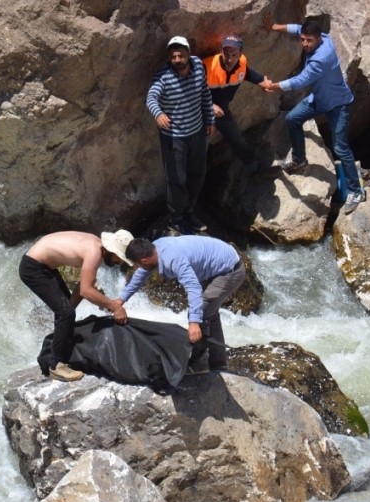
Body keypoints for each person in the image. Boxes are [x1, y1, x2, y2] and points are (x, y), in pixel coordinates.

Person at [260, 13, 365, 214]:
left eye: (309, 41)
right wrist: (274, 26)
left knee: (341, 149)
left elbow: (300, 81)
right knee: (292, 119)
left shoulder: (322, 58)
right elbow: (297, 27)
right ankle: (299, 160)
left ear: (318, 39)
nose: (305, 44)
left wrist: (272, 86)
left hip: (338, 105)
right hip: (319, 99)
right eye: (303, 40)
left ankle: (356, 191)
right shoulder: (322, 36)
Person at [115, 236, 245, 372]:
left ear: (144, 260)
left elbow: (193, 288)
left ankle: (203, 363)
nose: (139, 268)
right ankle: (216, 362)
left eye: (138, 264)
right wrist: (121, 299)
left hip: (230, 271)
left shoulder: (173, 259)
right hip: (216, 266)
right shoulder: (155, 248)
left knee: (202, 313)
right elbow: (141, 275)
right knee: (208, 314)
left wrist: (194, 323)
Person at [19, 230, 132, 382]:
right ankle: (56, 366)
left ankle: (59, 349)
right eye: (120, 259)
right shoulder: (95, 252)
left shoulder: (96, 246)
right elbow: (86, 291)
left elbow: (82, 288)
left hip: (43, 265)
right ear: (112, 250)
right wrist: (114, 307)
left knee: (66, 310)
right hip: (33, 267)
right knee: (65, 312)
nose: (120, 263)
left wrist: (101, 301)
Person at [146, 36, 216, 235]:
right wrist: (158, 113)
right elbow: (151, 96)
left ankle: (189, 211)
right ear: (169, 57)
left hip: (197, 132)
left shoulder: (198, 67)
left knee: (198, 174)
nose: (177, 59)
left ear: (188, 54)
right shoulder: (163, 76)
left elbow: (205, 93)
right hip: (174, 137)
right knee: (177, 180)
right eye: (174, 56)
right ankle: (175, 219)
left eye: (181, 55)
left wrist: (209, 119)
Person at [202, 35, 267, 175]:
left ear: (240, 54)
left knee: (238, 140)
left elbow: (246, 73)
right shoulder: (206, 66)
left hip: (222, 111)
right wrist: (210, 106)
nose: (229, 59)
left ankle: (255, 171)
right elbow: (190, 90)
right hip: (201, 112)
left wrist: (262, 81)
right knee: (197, 149)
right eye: (226, 54)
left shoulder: (241, 63)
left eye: (234, 54)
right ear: (221, 52)